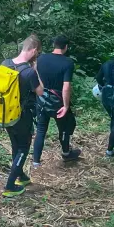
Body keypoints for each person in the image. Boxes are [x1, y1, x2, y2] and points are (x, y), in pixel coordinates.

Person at [1, 34, 44, 198]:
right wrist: (36, 70)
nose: (37, 56)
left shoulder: (5, 64)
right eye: (37, 53)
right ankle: (10, 186)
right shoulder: (29, 72)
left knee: (15, 145)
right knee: (24, 148)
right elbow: (40, 91)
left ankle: (21, 176)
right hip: (22, 116)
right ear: (33, 50)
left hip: (6, 115)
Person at [33, 35, 81, 168]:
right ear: (66, 47)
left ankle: (36, 161)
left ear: (54, 45)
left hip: (42, 99)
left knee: (41, 130)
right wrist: (66, 106)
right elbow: (66, 87)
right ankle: (66, 153)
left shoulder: (41, 58)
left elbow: (35, 72)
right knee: (64, 129)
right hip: (58, 102)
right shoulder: (68, 63)